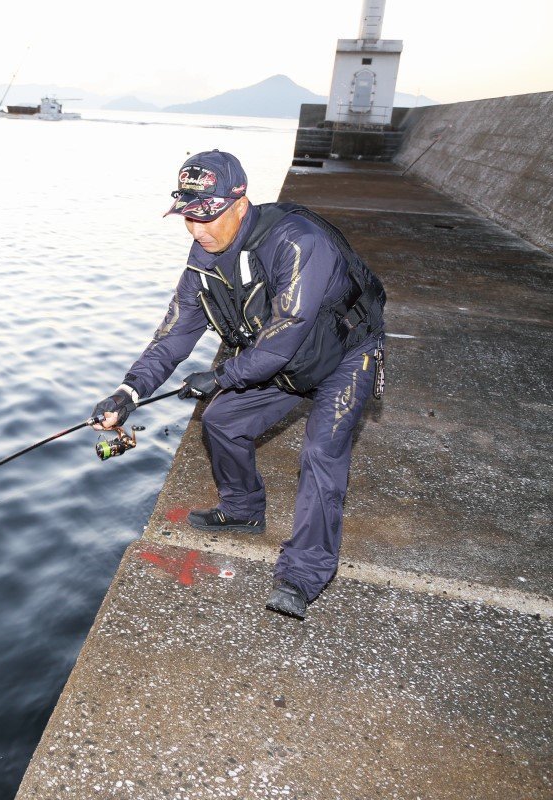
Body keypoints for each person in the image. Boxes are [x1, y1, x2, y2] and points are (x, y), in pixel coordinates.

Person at [91, 150, 385, 620]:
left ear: (240, 202)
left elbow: (286, 331)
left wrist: (222, 375)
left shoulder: (297, 241)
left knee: (321, 454)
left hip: (344, 355)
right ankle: (243, 509)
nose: (199, 230)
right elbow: (174, 335)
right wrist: (129, 393)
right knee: (223, 420)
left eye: (208, 216)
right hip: (283, 363)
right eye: (189, 217)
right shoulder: (202, 258)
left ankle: (303, 576)